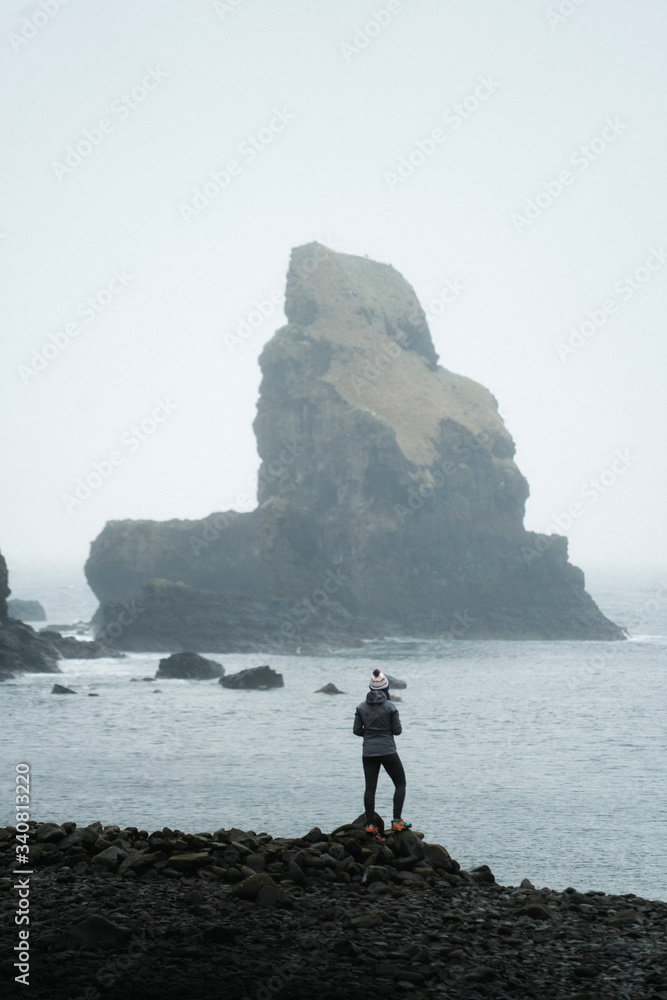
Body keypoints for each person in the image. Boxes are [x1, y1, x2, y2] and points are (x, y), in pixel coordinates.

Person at [353, 668, 411, 840]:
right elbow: (397, 731)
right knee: (400, 783)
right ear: (386, 689)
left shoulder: (361, 707)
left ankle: (370, 825)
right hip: (388, 751)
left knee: (370, 788)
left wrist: (370, 736)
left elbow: (356, 730)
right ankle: (396, 821)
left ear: (371, 688)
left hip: (368, 752)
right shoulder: (390, 707)